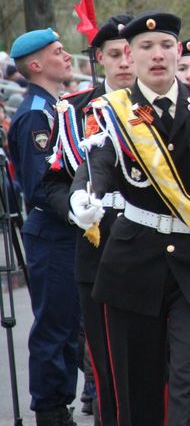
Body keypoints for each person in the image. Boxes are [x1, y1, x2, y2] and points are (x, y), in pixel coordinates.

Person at [67, 11, 190, 425]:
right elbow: (97, 164)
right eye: (146, 47)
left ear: (178, 50)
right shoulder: (112, 110)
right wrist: (82, 197)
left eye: (166, 45)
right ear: (130, 55)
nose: (157, 55)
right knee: (138, 390)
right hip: (134, 264)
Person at [43, 14, 134, 424]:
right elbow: (53, 183)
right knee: (105, 364)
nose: (125, 63)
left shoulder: (166, 105)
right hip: (97, 249)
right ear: (99, 58)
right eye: (115, 54)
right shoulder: (74, 111)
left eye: (132, 52)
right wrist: (74, 208)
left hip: (160, 253)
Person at [7, 28, 79, 426]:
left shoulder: (54, 106)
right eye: (57, 51)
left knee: (70, 325)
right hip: (53, 232)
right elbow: (38, 186)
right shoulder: (38, 113)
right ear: (35, 65)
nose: (67, 55)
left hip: (64, 230)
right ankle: (51, 409)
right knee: (56, 325)